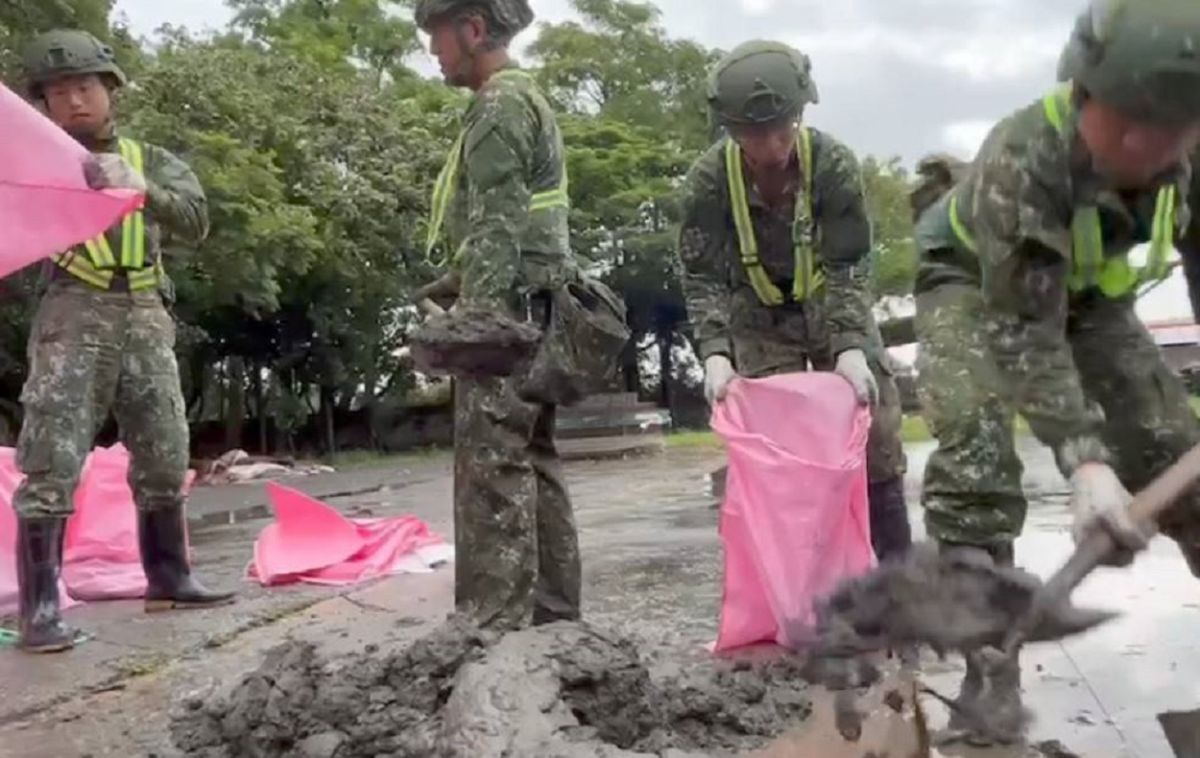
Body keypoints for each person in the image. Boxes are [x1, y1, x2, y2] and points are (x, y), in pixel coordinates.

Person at [910, 0, 1200, 742]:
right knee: (974, 451)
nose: (1134, 139)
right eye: (1120, 115)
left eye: (1159, 124)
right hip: (977, 285)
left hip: (1092, 303)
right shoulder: (1023, 155)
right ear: (1084, 91)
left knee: (1174, 448)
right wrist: (1086, 462)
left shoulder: (1192, 159)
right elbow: (1023, 333)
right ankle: (988, 669)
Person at [14, 30, 233, 654]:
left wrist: (139, 185)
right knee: (51, 455)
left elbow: (196, 222)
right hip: (72, 306)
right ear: (45, 105)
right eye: (59, 93)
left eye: (85, 87)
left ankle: (169, 576)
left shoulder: (151, 157)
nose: (75, 102)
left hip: (143, 307)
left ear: (111, 91)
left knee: (165, 448)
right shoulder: (37, 164)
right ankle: (41, 610)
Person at [674, 40, 913, 563]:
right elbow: (702, 274)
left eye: (785, 127)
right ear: (733, 131)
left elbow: (851, 263)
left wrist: (850, 345)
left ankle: (899, 590)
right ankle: (808, 595)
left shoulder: (834, 166)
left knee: (873, 436)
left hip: (833, 304)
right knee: (782, 455)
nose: (774, 144)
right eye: (757, 134)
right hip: (757, 318)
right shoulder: (708, 182)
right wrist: (715, 352)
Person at [415, 0, 582, 630]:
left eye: (437, 36)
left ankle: (493, 629)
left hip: (507, 315)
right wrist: (456, 279)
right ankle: (556, 620)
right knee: (533, 460)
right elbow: (519, 221)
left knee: (492, 467)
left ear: (474, 30)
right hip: (535, 306)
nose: (434, 51)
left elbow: (497, 225)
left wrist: (472, 324)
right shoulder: (523, 98)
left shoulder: (498, 105)